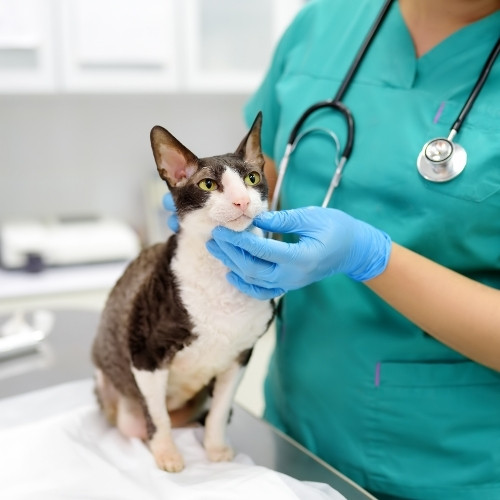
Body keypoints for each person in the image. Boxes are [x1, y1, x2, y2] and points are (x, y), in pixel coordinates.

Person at [165, 1, 500, 498]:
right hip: (291, 442)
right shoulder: (324, 22)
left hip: (452, 467)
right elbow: (267, 174)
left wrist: (370, 256)